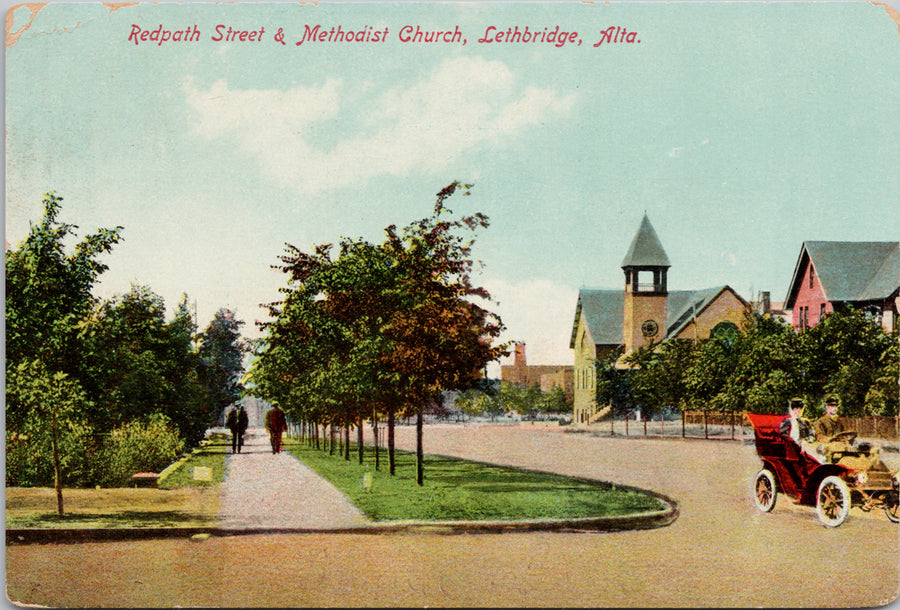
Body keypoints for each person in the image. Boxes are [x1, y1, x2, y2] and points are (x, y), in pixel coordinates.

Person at [814, 395, 850, 463]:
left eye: (836, 406)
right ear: (827, 408)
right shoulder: (821, 421)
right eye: (832, 406)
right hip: (827, 450)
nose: (835, 408)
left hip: (840, 448)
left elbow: (843, 434)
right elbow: (819, 436)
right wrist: (829, 439)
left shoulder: (839, 422)